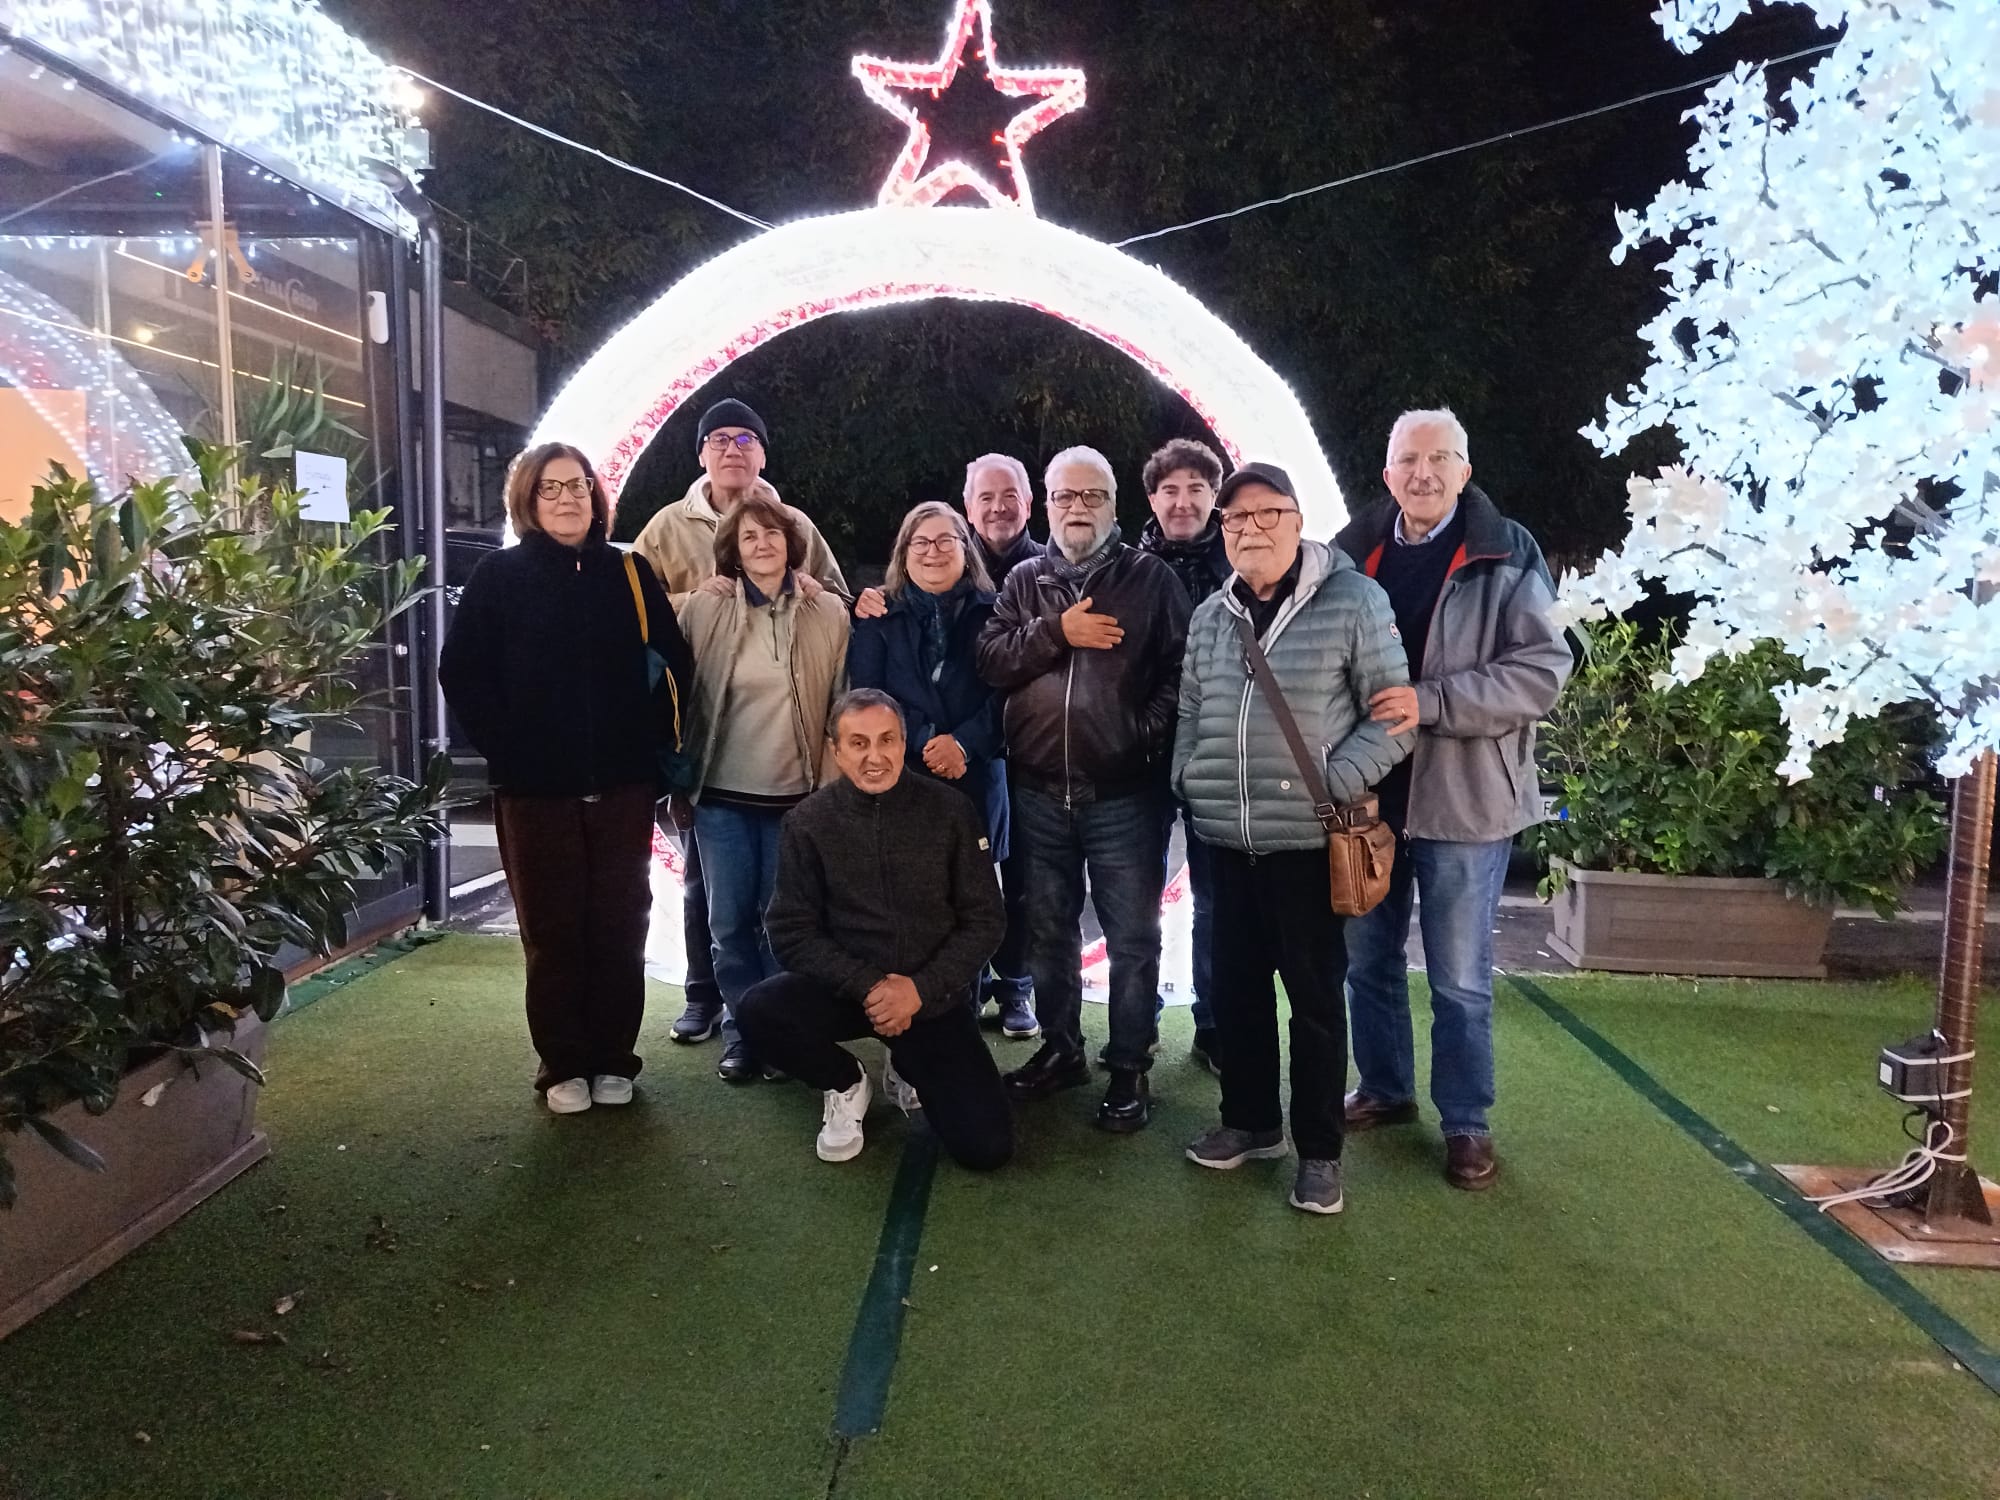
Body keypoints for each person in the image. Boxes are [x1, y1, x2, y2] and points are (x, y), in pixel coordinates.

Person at [1334, 408, 1572, 1191]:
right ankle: (1385, 1087)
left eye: (1440, 458)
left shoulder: (1507, 550)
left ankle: (1466, 1121)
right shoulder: (1351, 550)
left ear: (1465, 471)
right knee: (1366, 963)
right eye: (1409, 459)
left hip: (1466, 803)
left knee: (1459, 979)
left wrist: (1430, 701)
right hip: (1369, 798)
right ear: (1388, 473)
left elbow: (1542, 671)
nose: (1424, 472)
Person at [1173, 462, 1410, 1214]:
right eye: (1236, 518)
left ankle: (1319, 1152)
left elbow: (1394, 717)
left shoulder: (1355, 600)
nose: (1250, 529)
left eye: (1266, 513)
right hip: (1225, 838)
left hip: (1310, 846)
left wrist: (1339, 780)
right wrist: (1189, 775)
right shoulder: (1212, 615)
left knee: (1314, 1003)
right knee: (1236, 992)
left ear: (1298, 521)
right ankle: (1250, 1123)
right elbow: (1190, 709)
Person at [440, 442, 691, 1115]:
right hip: (534, 792)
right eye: (550, 488)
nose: (566, 498)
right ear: (527, 498)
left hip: (623, 786)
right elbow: (461, 671)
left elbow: (674, 664)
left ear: (595, 495)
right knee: (552, 932)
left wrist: (647, 747)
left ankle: (614, 1058)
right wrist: (509, 750)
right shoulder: (499, 576)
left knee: (620, 924)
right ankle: (562, 1063)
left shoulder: (629, 571)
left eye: (577, 485)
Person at [976, 445, 1191, 1133]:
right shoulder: (1025, 582)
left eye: (1091, 495)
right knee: (1047, 931)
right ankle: (1061, 1048)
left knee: (1132, 937)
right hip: (1038, 790)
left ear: (1112, 504)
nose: (1077, 507)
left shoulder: (1151, 579)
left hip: (1126, 794)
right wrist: (1057, 632)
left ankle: (1129, 1065)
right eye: (1065, 496)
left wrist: (1142, 732)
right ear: (1047, 505)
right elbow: (992, 660)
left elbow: (1183, 671)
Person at [630, 398, 848, 1052]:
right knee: (714, 901)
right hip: (716, 764)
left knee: (778, 912)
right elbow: (633, 608)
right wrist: (695, 597)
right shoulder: (670, 526)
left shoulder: (796, 524)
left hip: (791, 778)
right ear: (701, 453)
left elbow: (835, 600)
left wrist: (823, 594)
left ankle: (776, 1026)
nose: (732, 449)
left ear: (762, 453)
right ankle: (716, 1008)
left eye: (745, 439)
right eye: (719, 439)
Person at [738, 690, 1013, 1170]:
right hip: (847, 991)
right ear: (836, 750)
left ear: (904, 743)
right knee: (758, 1012)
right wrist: (869, 986)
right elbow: (789, 931)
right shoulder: (807, 823)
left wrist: (917, 990)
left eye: (887, 740)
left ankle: (904, 1062)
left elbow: (986, 920)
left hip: (929, 1001)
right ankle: (846, 1082)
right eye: (859, 743)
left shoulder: (952, 811)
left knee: (987, 1149)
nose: (875, 756)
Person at [854, 455, 1040, 1030]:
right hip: (907, 780)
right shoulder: (879, 616)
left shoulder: (997, 611)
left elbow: (1011, 690)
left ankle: (994, 993)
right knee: (917, 901)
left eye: (945, 541)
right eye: (920, 543)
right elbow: (867, 695)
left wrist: (965, 743)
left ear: (966, 549)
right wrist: (928, 738)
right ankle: (932, 1010)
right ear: (903, 553)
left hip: (977, 775)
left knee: (983, 898)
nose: (933, 552)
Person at [676, 490, 850, 1082]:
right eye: (748, 536)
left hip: (797, 799)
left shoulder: (827, 611)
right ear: (733, 549)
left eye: (772, 533)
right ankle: (741, 1033)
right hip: (720, 796)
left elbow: (841, 701)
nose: (762, 543)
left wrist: (831, 791)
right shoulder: (706, 608)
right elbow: (674, 682)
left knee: (785, 927)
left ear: (792, 542)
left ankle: (782, 1034)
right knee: (728, 925)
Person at [1136, 437, 1231, 1074]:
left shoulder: (1240, 564)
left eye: (1196, 489)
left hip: (1217, 754)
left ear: (1214, 497)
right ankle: (1136, 1020)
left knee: (1215, 902)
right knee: (1135, 896)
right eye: (1170, 489)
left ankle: (1213, 1024)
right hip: (1142, 752)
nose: (1182, 501)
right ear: (1152, 498)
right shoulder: (1128, 566)